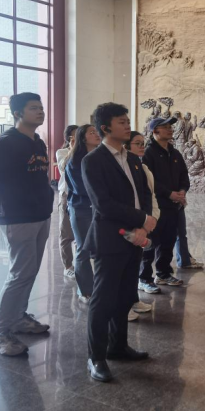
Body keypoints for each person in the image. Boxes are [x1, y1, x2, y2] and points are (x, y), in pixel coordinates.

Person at [82, 102, 157, 383]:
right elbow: (103, 204)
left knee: (126, 296)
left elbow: (144, 194)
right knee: (103, 300)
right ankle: (96, 357)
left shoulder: (133, 159)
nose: (128, 125)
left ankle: (118, 346)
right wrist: (140, 220)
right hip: (110, 239)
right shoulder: (93, 160)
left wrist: (143, 225)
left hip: (134, 237)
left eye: (127, 121)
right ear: (105, 128)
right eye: (121, 122)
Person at [0, 92, 54, 356]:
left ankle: (19, 318)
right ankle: (0, 334)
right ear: (17, 113)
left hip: (40, 213)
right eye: (33, 108)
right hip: (18, 216)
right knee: (20, 274)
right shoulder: (6, 143)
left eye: (41, 107)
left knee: (29, 271)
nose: (40, 112)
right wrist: (0, 208)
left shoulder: (38, 142)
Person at [141, 117, 191, 291]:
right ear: (155, 131)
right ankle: (144, 278)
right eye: (166, 127)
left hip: (173, 206)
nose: (170, 129)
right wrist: (169, 193)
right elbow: (149, 180)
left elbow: (184, 175)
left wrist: (182, 191)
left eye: (171, 127)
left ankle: (163, 273)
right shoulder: (148, 153)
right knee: (150, 243)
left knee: (168, 241)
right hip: (156, 206)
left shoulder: (175, 153)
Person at [65, 125, 101, 304]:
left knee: (100, 249)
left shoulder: (100, 158)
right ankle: (85, 291)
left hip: (99, 208)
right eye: (92, 132)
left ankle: (98, 287)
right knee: (83, 250)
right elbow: (81, 188)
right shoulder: (74, 161)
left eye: (97, 131)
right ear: (83, 138)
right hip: (81, 209)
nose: (96, 134)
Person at [125, 131, 160, 314]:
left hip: (145, 220)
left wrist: (150, 219)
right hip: (130, 221)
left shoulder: (142, 167)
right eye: (137, 143)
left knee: (136, 263)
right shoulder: (123, 166)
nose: (141, 146)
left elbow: (149, 195)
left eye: (142, 143)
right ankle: (124, 306)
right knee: (124, 267)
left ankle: (133, 299)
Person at [56, 124, 78, 280]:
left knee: (80, 232)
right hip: (66, 194)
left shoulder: (87, 153)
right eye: (76, 135)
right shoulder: (62, 152)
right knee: (66, 232)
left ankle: (80, 263)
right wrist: (73, 148)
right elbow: (63, 168)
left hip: (82, 196)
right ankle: (68, 266)